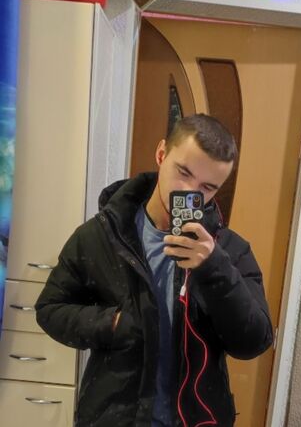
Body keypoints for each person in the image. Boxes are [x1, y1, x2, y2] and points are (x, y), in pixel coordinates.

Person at [35, 113, 273, 427]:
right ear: (161, 154)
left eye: (207, 187)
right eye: (183, 172)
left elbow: (254, 342)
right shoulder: (103, 235)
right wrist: (113, 323)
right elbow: (50, 309)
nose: (188, 192)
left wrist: (215, 268)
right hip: (114, 418)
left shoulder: (230, 251)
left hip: (196, 419)